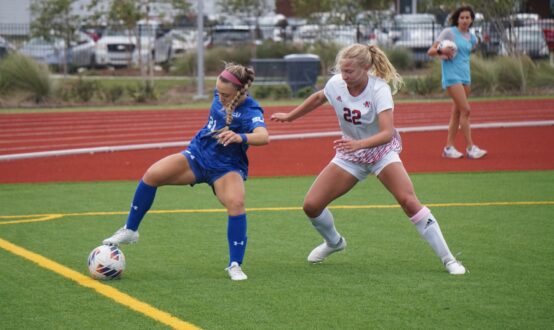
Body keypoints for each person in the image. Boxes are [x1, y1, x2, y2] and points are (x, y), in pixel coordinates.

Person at [270, 44, 466, 275]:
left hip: (381, 152)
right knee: (311, 206)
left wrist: (359, 144)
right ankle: (334, 243)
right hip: (350, 154)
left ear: (366, 68)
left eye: (349, 71)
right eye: (342, 71)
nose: (344, 76)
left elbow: (386, 133)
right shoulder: (337, 84)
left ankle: (449, 259)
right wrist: (291, 117)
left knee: (409, 202)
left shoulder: (378, 89)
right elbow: (319, 97)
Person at [102, 63, 270, 281]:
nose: (220, 97)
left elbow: (264, 136)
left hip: (226, 167)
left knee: (236, 203)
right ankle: (131, 230)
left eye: (225, 94)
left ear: (239, 92)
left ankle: (235, 264)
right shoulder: (220, 94)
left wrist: (241, 137)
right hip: (197, 156)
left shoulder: (251, 109)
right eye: (217, 92)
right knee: (152, 174)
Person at [427, 5, 487, 159]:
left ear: (472, 19)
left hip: (465, 77)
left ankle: (448, 148)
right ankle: (470, 148)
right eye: (462, 17)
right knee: (466, 110)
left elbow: (464, 57)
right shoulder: (449, 32)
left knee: (457, 113)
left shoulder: (471, 37)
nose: (465, 20)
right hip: (452, 77)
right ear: (457, 19)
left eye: (468, 17)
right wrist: (442, 51)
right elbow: (431, 51)